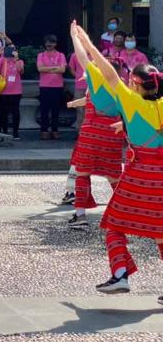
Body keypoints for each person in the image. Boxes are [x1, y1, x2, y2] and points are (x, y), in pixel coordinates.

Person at [69, 21, 163, 301]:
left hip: (138, 174)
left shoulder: (130, 100)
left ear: (134, 83)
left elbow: (107, 74)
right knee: (161, 232)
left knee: (114, 225)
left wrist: (85, 41)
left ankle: (120, 273)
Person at [65, 22, 125, 228]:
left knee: (82, 174)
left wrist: (75, 36)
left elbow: (83, 57)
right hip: (113, 135)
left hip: (91, 134)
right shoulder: (123, 88)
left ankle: (80, 215)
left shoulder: (98, 79)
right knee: (114, 175)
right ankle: (125, 211)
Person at [36, 35, 66, 140]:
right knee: (44, 109)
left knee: (56, 110)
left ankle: (55, 130)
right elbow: (40, 69)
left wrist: (47, 69)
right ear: (45, 43)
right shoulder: (41, 55)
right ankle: (44, 130)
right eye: (48, 42)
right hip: (45, 86)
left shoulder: (61, 55)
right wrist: (55, 68)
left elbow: (62, 70)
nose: (50, 45)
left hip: (57, 86)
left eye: (52, 42)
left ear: (55, 44)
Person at [0, 44, 24, 140]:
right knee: (4, 112)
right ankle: (5, 130)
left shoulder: (19, 61)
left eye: (13, 49)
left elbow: (20, 70)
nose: (11, 51)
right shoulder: (3, 60)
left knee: (15, 112)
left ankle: (15, 132)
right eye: (9, 49)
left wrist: (16, 58)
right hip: (4, 90)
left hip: (16, 91)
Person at [68, 51, 87, 129]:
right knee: (79, 109)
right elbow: (71, 68)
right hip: (80, 86)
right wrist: (78, 76)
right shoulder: (75, 55)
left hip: (93, 87)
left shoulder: (94, 54)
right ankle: (80, 132)